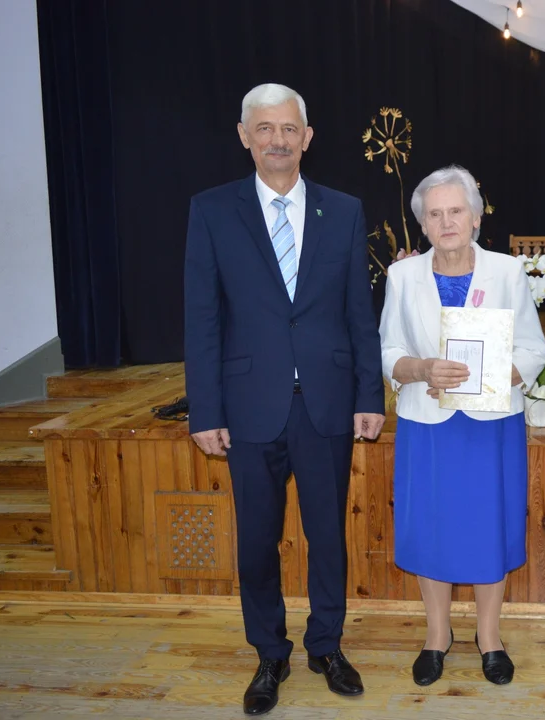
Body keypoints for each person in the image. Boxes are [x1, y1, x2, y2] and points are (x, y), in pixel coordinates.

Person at [184, 83, 385, 715]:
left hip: (326, 403)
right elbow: (202, 318)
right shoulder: (212, 211)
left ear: (307, 137)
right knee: (257, 541)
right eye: (264, 129)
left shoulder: (344, 210)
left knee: (329, 535)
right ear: (244, 136)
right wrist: (206, 409)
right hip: (248, 406)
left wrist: (368, 393)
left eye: (289, 129)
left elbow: (360, 312)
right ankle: (269, 652)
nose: (277, 140)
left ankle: (326, 644)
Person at [379, 165, 545, 687]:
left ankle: (490, 637)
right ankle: (437, 635)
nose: (447, 221)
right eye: (435, 214)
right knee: (430, 526)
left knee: (488, 526)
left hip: (489, 423)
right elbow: (388, 351)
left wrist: (493, 374)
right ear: (423, 225)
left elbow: (534, 349)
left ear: (476, 217)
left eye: (456, 211)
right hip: (427, 422)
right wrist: (420, 370)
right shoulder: (401, 276)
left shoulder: (507, 272)